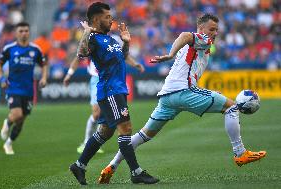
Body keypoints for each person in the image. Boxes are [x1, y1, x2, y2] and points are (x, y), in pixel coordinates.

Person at [97, 13, 267, 184]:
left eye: (217, 30)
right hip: (183, 92)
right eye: (211, 29)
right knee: (231, 107)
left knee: (143, 135)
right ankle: (240, 153)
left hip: (167, 97)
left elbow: (189, 61)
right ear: (201, 29)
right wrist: (170, 54)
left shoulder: (199, 46)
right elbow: (186, 35)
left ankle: (110, 167)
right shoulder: (202, 39)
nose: (215, 33)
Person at [68, 2, 158, 185]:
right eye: (107, 17)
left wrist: (126, 43)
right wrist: (86, 32)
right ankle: (136, 172)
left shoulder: (110, 39)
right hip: (110, 90)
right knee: (125, 129)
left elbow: (122, 58)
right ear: (96, 19)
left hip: (116, 89)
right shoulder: (92, 37)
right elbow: (82, 53)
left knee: (105, 132)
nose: (111, 20)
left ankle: (79, 165)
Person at [63, 54, 144, 154]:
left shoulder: (114, 40)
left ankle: (96, 144)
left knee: (104, 114)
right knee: (96, 114)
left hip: (111, 79)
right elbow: (78, 58)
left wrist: (135, 64)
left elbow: (124, 54)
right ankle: (86, 143)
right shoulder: (90, 41)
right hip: (97, 79)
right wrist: (69, 74)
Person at [0, 22, 47, 155]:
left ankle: (9, 143)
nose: (24, 33)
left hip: (29, 90)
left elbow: (44, 64)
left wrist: (44, 78)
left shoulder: (35, 49)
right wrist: (2, 78)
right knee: (16, 114)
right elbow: (0, 65)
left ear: (29, 32)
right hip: (13, 88)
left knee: (20, 121)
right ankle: (7, 122)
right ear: (16, 33)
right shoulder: (9, 49)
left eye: (26, 30)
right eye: (21, 31)